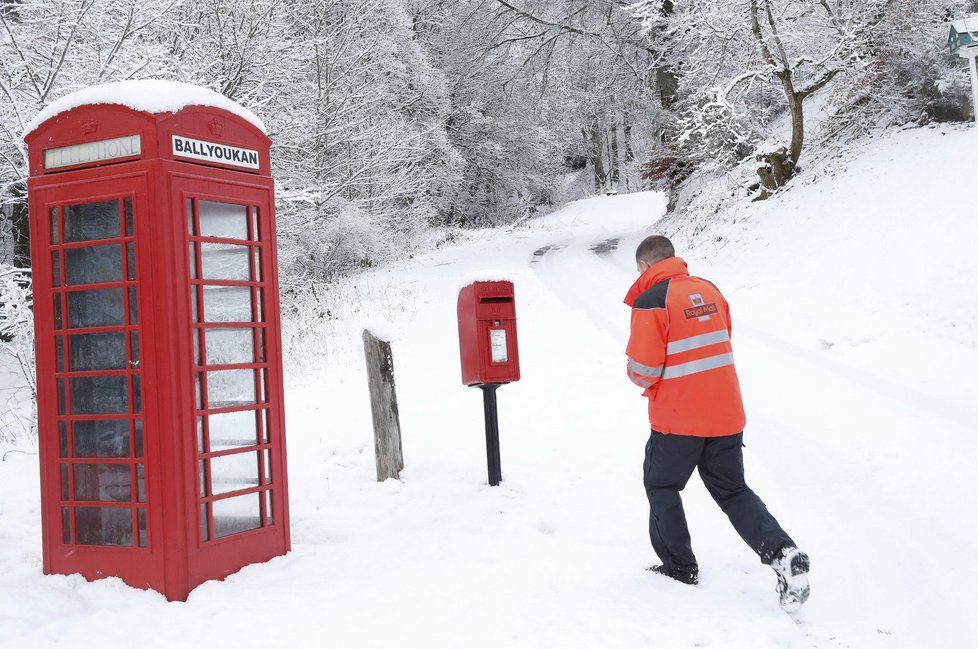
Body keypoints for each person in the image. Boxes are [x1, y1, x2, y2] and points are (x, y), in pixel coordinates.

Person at [624, 235, 810, 612]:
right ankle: (783, 553)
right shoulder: (709, 290)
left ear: (644, 266)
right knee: (733, 491)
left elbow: (643, 371)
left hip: (678, 419)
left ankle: (680, 567)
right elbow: (719, 338)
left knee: (661, 485)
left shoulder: (651, 301)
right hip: (726, 413)